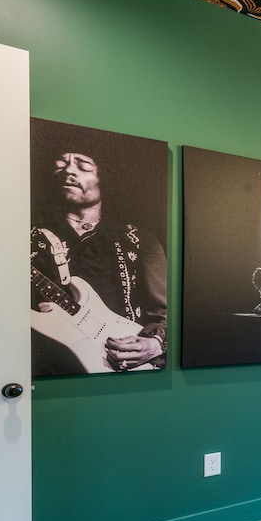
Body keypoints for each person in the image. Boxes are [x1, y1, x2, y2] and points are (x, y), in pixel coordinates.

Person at [30, 151, 167, 373]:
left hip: (126, 366)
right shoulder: (25, 238)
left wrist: (155, 344)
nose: (69, 170)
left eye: (83, 166)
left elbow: (166, 311)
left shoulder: (138, 239)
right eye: (61, 165)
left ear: (103, 179)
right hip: (50, 369)